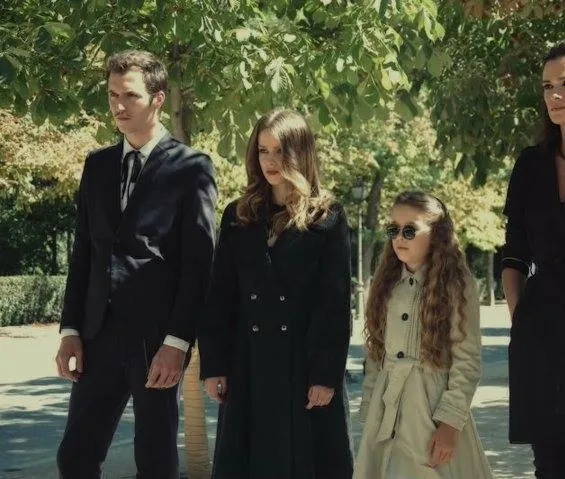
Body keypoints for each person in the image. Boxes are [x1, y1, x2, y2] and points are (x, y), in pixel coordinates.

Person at [55, 50, 217, 479]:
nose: (118, 105)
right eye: (112, 94)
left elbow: (199, 264)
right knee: (74, 457)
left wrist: (178, 342)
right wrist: (70, 330)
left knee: (156, 461)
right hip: (97, 335)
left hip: (155, 340)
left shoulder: (191, 167)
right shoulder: (97, 165)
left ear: (158, 98)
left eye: (130, 95)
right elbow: (84, 252)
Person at [198, 108, 354, 479]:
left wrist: (325, 375)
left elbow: (334, 302)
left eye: (280, 151)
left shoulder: (328, 216)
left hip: (303, 367)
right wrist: (215, 364)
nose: (270, 160)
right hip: (248, 365)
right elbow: (220, 295)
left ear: (300, 153)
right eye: (263, 150)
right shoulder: (238, 214)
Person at [355, 191, 492, 479]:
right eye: (393, 229)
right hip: (387, 409)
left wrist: (450, 423)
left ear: (437, 234)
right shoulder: (386, 284)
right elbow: (376, 353)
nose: (399, 238)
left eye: (410, 230)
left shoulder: (457, 285)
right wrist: (370, 408)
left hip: (431, 411)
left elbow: (467, 360)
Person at [502, 42, 565, 477]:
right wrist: (520, 316)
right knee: (550, 463)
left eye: (564, 83)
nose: (554, 95)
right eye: (546, 86)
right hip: (541, 331)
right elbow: (514, 252)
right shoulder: (529, 165)